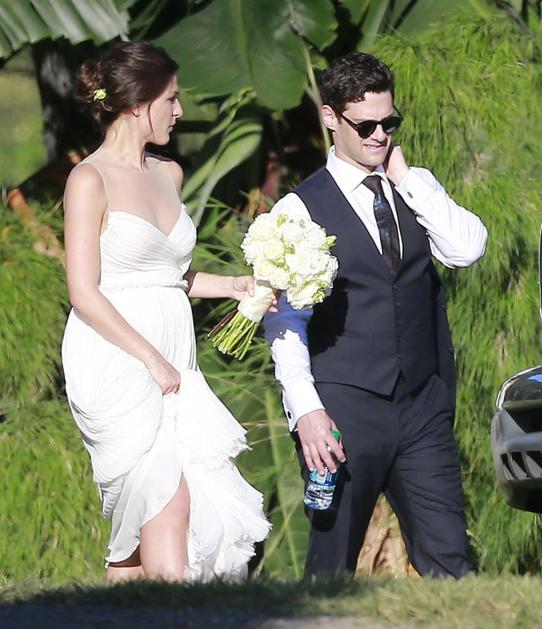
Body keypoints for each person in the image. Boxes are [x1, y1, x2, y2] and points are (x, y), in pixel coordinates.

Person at [264, 51, 488, 578]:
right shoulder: (298, 209)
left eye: (390, 123)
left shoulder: (414, 186)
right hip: (344, 406)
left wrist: (407, 177)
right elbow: (286, 322)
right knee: (331, 563)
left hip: (422, 402)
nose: (379, 136)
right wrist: (307, 410)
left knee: (451, 560)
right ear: (330, 118)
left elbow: (467, 249)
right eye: (365, 126)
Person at [61, 41, 270, 583]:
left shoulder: (169, 174)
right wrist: (150, 358)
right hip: (117, 355)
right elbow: (83, 291)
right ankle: (177, 608)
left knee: (147, 524)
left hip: (176, 358)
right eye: (171, 99)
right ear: (137, 103)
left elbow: (169, 274)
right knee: (165, 496)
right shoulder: (89, 179)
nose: (179, 111)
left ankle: (128, 604)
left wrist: (233, 285)